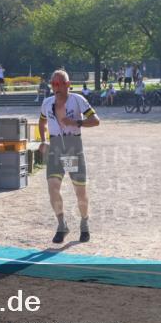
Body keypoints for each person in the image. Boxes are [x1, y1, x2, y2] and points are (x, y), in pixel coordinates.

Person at [38, 70, 100, 243]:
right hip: (55, 148)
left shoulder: (77, 100)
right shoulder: (47, 103)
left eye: (59, 84)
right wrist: (43, 140)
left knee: (79, 191)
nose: (56, 88)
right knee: (53, 187)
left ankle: (84, 222)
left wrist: (76, 122)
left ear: (68, 84)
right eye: (53, 84)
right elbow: (42, 122)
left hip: (72, 148)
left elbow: (96, 120)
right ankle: (61, 224)